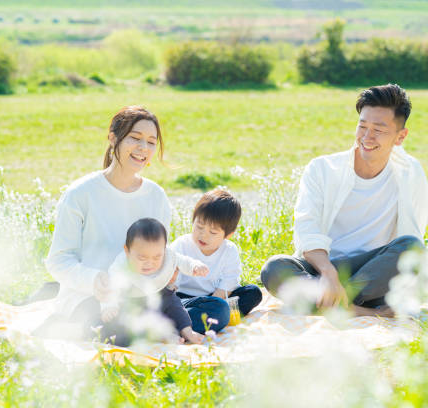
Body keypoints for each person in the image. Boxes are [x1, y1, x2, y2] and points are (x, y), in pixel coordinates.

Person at [31, 105, 226, 339]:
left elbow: (160, 251)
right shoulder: (80, 193)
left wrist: (168, 272)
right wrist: (94, 280)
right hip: (94, 299)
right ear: (113, 139)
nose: (143, 148)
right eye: (135, 138)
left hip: (142, 296)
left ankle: (151, 329)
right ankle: (137, 330)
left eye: (151, 142)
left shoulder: (156, 196)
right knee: (116, 329)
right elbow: (59, 261)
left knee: (219, 311)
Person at [260, 84, 428, 317]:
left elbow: (413, 236)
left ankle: (332, 305)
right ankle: (361, 311)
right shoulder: (322, 168)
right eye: (362, 126)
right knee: (275, 268)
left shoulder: (410, 172)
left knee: (412, 248)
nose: (367, 137)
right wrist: (329, 274)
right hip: (323, 271)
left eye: (378, 130)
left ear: (400, 136)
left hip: (373, 274)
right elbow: (307, 229)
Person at [98, 218, 208, 345]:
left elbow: (182, 261)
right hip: (134, 304)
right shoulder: (121, 265)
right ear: (127, 251)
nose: (149, 263)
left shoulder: (168, 255)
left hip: (161, 297)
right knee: (117, 330)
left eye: (157, 257)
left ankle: (187, 330)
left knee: (174, 303)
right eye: (142, 257)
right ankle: (161, 335)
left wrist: (195, 266)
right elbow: (111, 287)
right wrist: (109, 306)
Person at [171, 189, 263, 334]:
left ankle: (193, 320)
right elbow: (170, 282)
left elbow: (229, 280)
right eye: (199, 227)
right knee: (218, 309)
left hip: (215, 297)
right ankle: (182, 321)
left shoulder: (229, 250)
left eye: (213, 232)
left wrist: (215, 301)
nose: (203, 235)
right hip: (184, 300)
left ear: (228, 235)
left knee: (253, 293)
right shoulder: (181, 245)